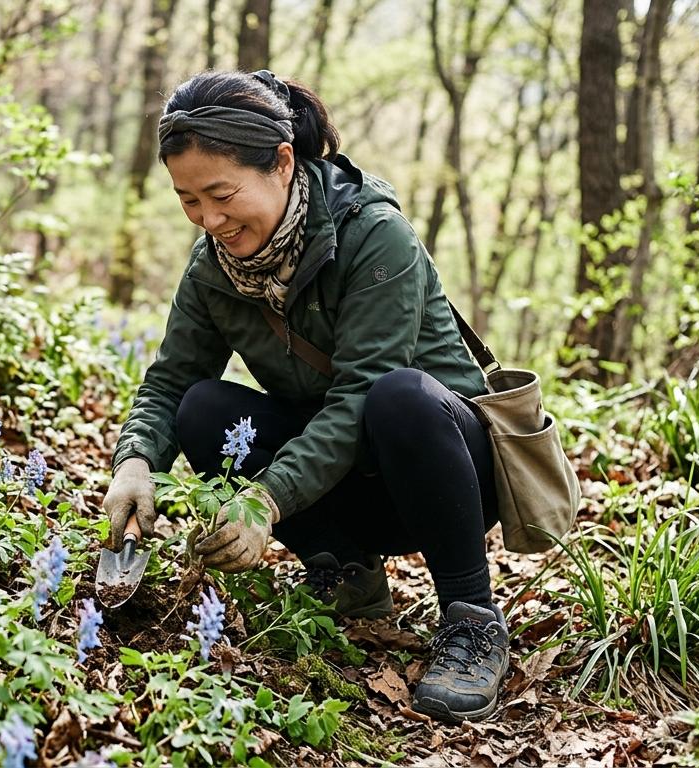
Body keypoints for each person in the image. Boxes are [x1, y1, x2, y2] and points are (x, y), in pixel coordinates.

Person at [101, 69, 508, 724]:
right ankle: (347, 570)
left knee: (398, 396)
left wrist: (263, 500)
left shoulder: (374, 235)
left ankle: (472, 617)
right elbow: (174, 375)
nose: (209, 219)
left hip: (442, 474)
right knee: (203, 408)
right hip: (334, 483)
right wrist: (135, 462)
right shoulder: (213, 267)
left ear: (283, 162)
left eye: (221, 193)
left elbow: (360, 395)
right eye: (188, 201)